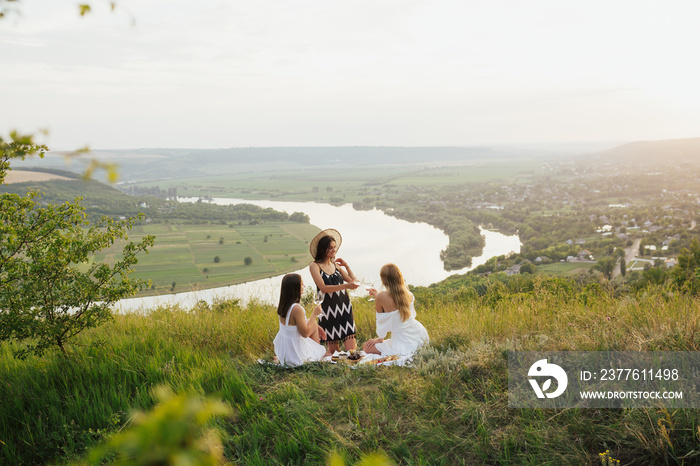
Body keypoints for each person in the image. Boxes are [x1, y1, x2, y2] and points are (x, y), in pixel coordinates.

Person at [309, 228, 360, 353]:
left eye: (335, 247)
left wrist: (346, 265)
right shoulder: (315, 266)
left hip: (344, 307)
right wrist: (345, 286)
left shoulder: (336, 266)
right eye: (330, 247)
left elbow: (353, 281)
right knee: (334, 353)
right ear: (322, 249)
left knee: (352, 351)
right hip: (328, 310)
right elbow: (323, 288)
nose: (334, 250)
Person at [363, 263, 429, 355]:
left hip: (401, 341)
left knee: (366, 347)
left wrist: (379, 339)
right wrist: (378, 295)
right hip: (419, 335)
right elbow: (397, 306)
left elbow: (381, 323)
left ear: (383, 280)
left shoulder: (380, 297)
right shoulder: (409, 294)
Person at [273, 273, 328, 366]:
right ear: (295, 288)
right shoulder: (297, 308)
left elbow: (296, 324)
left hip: (285, 351)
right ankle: (317, 355)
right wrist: (314, 314)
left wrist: (317, 326)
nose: (304, 286)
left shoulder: (283, 306)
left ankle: (279, 358)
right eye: (302, 284)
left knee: (313, 323)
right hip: (295, 355)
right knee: (322, 353)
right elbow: (305, 334)